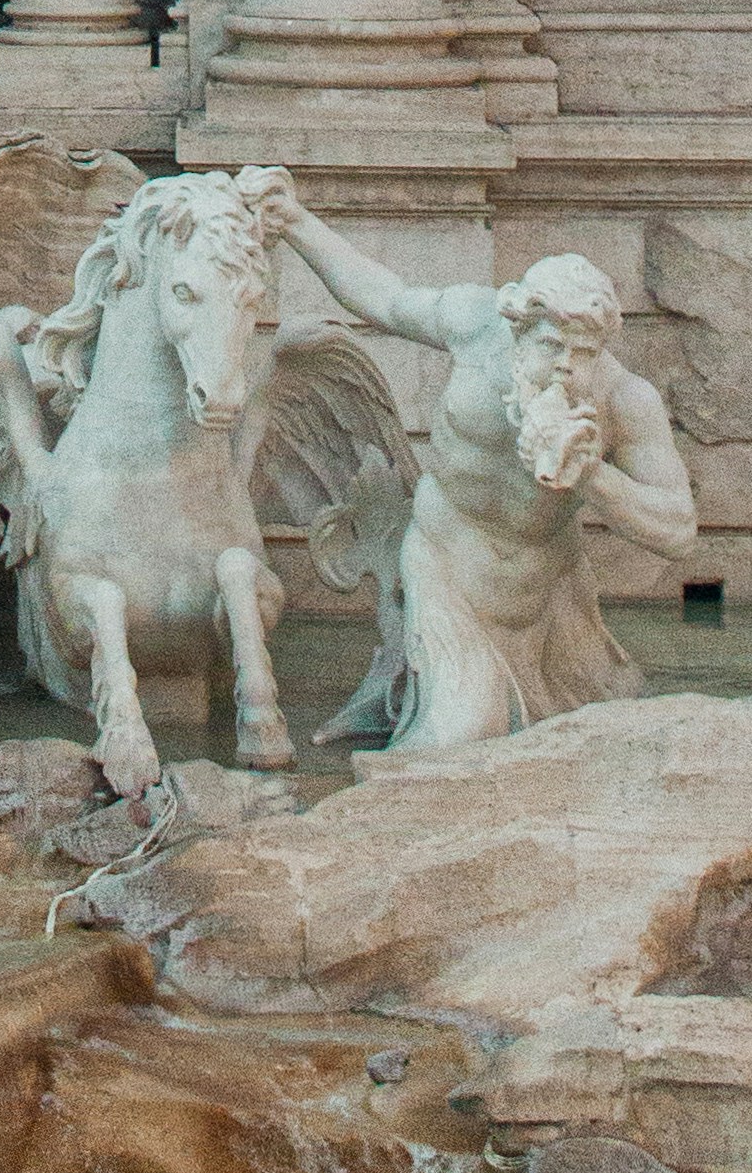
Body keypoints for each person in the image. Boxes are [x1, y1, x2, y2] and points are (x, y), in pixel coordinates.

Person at [258, 200, 699, 757]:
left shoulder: (624, 400)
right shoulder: (473, 324)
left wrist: (591, 475)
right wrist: (295, 221)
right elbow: (383, 298)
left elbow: (679, 530)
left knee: (607, 741)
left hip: (549, 599)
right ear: (519, 328)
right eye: (551, 345)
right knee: (460, 743)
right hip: (446, 573)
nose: (566, 365)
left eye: (583, 352)